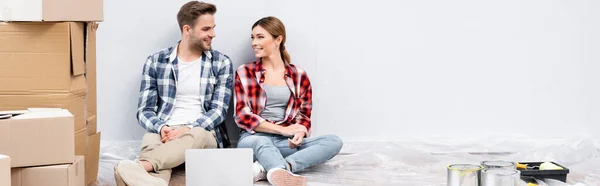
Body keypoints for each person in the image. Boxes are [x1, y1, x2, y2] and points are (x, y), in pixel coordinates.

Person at [113, 1, 233, 186]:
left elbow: (218, 111)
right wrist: (162, 128)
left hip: (202, 131)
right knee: (150, 138)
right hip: (166, 128)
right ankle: (153, 182)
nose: (213, 34)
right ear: (187, 30)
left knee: (198, 135)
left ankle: (142, 166)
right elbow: (144, 110)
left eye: (213, 28)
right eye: (206, 29)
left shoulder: (221, 63)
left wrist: (188, 129)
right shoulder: (156, 61)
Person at [235, 16, 343, 186]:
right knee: (262, 142)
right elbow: (242, 115)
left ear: (278, 39)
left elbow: (304, 116)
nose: (254, 42)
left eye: (260, 37)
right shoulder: (245, 72)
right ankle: (278, 169)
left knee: (333, 141)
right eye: (253, 37)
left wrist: (299, 133)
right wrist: (281, 130)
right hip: (253, 138)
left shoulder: (299, 75)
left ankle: (277, 169)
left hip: (285, 143)